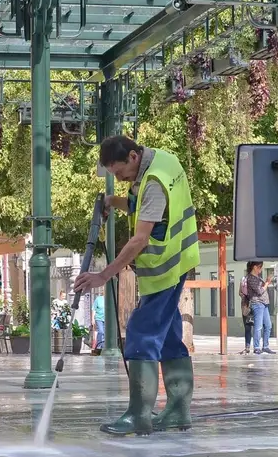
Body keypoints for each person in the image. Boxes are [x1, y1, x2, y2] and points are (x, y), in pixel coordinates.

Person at [74, 135, 200, 436]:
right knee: (169, 339)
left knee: (142, 334)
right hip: (178, 260)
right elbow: (145, 206)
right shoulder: (162, 162)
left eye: (119, 173)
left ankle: (139, 415)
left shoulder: (154, 181)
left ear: (133, 156)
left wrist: (104, 275)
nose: (119, 179)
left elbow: (140, 238)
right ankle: (178, 412)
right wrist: (113, 202)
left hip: (164, 267)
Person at [244, 261, 275, 355]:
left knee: (268, 325)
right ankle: (257, 347)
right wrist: (267, 282)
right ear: (255, 267)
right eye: (260, 267)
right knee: (258, 327)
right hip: (257, 303)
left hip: (264, 303)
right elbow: (260, 291)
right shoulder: (251, 278)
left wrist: (265, 282)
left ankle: (265, 346)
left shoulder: (258, 277)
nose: (261, 269)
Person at [239, 267, 254, 355]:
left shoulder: (257, 280)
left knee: (256, 327)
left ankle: (256, 346)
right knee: (247, 327)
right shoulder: (243, 280)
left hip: (255, 305)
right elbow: (240, 292)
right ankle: (247, 346)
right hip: (246, 306)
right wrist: (245, 296)